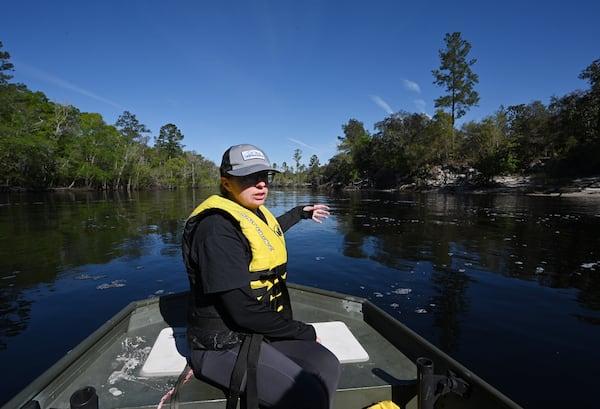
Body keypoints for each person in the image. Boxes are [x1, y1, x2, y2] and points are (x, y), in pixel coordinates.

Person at [182, 144, 341, 409]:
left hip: (256, 330)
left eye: (264, 177)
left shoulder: (252, 212)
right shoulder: (215, 230)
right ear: (226, 183)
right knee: (308, 394)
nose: (260, 185)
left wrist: (301, 212)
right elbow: (241, 311)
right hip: (222, 342)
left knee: (327, 364)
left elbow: (271, 231)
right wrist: (303, 331)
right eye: (248, 178)